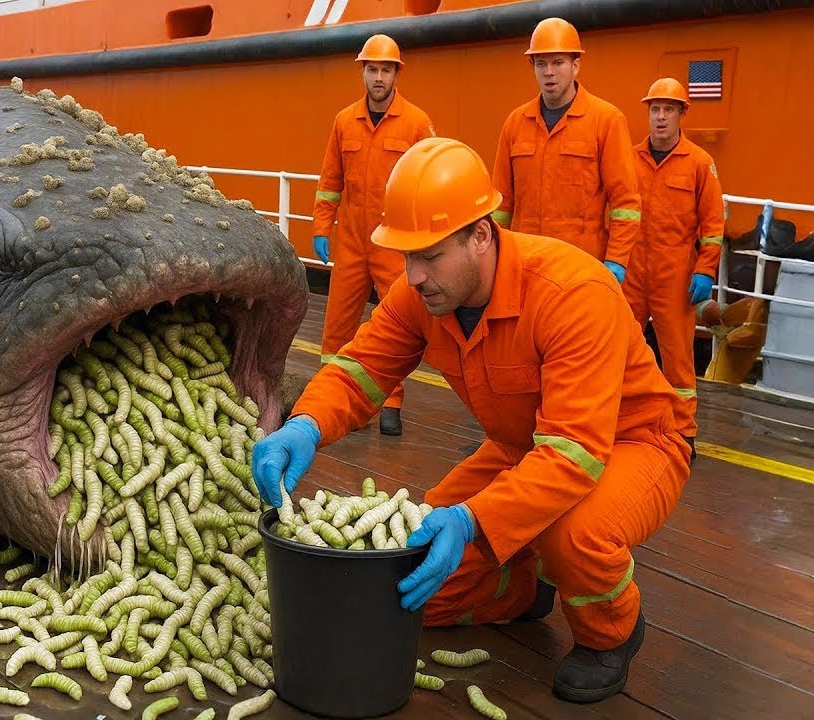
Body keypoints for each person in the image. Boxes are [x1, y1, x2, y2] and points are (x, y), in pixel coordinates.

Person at [253, 138, 691, 703]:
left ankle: (610, 633)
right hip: (522, 448)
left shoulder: (570, 293)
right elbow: (360, 369)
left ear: (481, 236)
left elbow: (574, 455)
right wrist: (303, 426)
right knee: (408, 583)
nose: (413, 276)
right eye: (406, 257)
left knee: (575, 534)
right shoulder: (424, 296)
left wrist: (474, 519)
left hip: (631, 442)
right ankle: (522, 589)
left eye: (429, 256)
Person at [311, 33, 436, 436]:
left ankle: (391, 402)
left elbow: (429, 178)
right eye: (372, 69)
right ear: (362, 72)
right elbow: (330, 181)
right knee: (337, 325)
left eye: (385, 70)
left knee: (395, 322)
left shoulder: (417, 123)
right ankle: (330, 399)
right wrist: (320, 226)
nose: (378, 77)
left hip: (394, 244)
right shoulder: (343, 121)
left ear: (396, 74)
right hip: (350, 240)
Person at [491, 17, 641, 285]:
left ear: (576, 65)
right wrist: (493, 254)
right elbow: (502, 203)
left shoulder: (606, 120)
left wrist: (616, 260)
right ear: (532, 67)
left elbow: (625, 203)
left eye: (558, 62)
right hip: (526, 264)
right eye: (541, 63)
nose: (549, 72)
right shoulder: (515, 123)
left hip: (581, 266)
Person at [625, 78, 725, 456]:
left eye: (669, 109)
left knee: (678, 359)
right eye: (655, 109)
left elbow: (713, 225)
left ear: (682, 113)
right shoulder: (629, 159)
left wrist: (706, 270)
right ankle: (622, 419)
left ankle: (683, 433)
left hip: (675, 275)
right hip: (632, 271)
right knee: (622, 349)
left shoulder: (700, 163)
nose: (661, 117)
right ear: (648, 113)